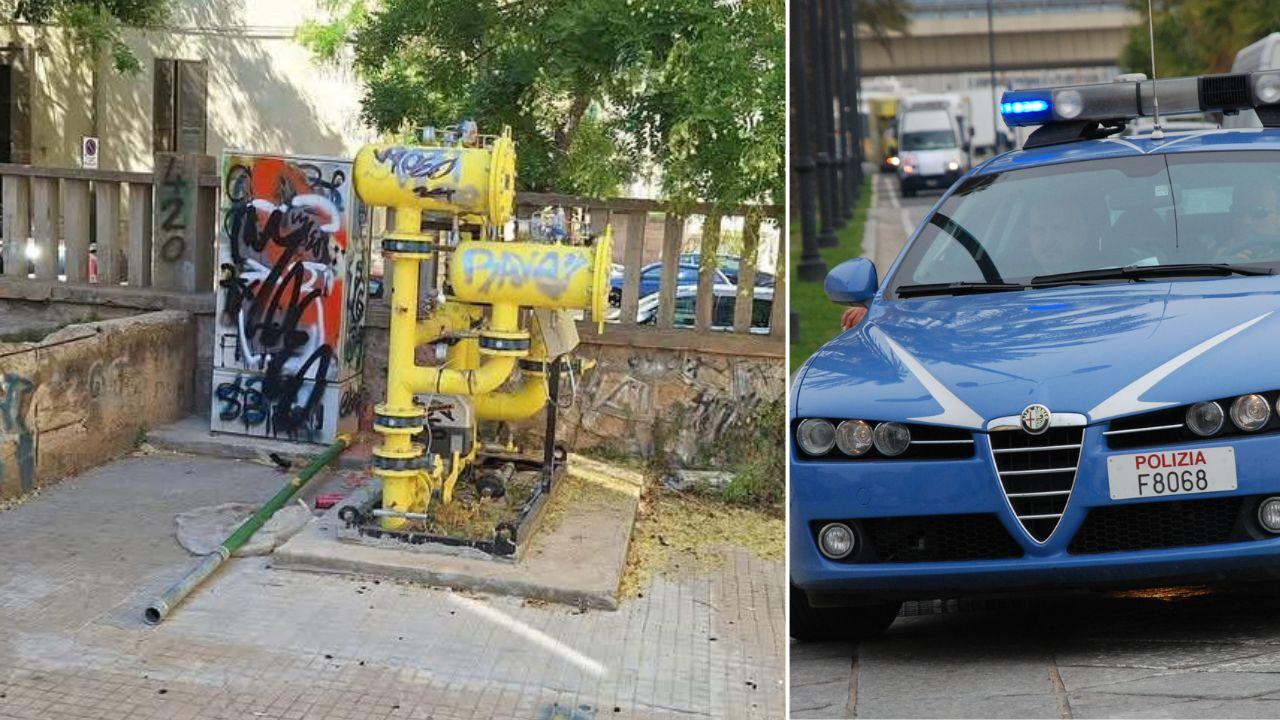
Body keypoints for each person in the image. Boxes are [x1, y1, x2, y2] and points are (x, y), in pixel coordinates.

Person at [1229, 184, 1280, 262]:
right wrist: (1224, 262)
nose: (1246, 221)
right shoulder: (1210, 257)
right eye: (1238, 211)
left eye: (1258, 212)